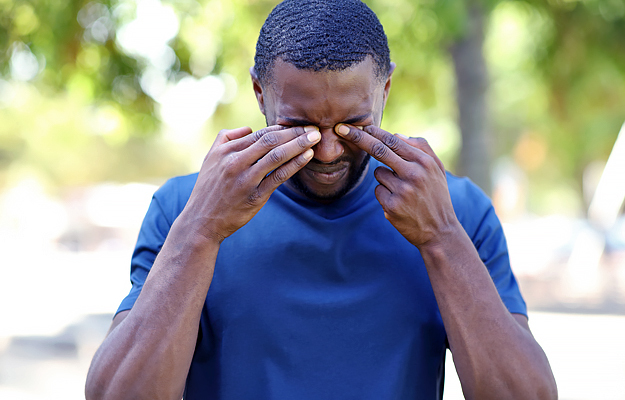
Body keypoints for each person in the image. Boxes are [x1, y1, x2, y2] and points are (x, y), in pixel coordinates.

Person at [85, 0, 557, 399]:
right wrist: (201, 231)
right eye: (300, 127)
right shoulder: (184, 208)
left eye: (353, 123)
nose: (328, 151)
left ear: (385, 89)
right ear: (259, 92)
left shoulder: (456, 210)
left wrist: (442, 238)